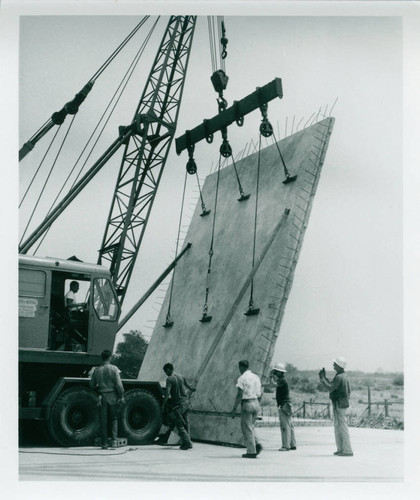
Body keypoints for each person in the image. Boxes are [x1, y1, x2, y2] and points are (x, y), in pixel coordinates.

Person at [89, 349, 125, 450]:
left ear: (102, 358)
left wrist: (99, 390)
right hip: (113, 396)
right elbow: (119, 385)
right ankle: (114, 441)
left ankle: (104, 443)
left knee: (103, 420)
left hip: (103, 396)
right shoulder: (114, 369)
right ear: (110, 357)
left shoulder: (97, 370)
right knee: (113, 419)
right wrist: (121, 396)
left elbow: (92, 385)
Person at [319, 356, 353, 457]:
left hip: (339, 404)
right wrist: (325, 379)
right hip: (343, 403)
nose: (333, 365)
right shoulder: (344, 376)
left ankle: (347, 450)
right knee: (339, 427)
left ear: (339, 366)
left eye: (335, 364)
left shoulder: (339, 377)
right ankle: (341, 449)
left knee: (341, 427)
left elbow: (330, 388)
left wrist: (322, 379)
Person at [231, 360, 263, 459]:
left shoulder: (242, 378)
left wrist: (234, 408)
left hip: (247, 403)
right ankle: (257, 444)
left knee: (246, 428)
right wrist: (257, 405)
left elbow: (239, 395)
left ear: (241, 367)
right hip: (256, 402)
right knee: (251, 426)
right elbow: (260, 393)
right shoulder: (256, 377)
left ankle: (251, 451)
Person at [162, 363, 196, 450]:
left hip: (179, 405)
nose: (165, 373)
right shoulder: (181, 376)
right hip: (186, 403)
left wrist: (163, 404)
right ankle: (186, 442)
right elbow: (189, 387)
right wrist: (193, 389)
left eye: (165, 371)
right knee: (186, 423)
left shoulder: (169, 379)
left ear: (169, 369)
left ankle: (188, 443)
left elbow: (167, 393)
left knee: (179, 424)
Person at [271, 362, 296, 451]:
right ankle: (292, 444)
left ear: (279, 372)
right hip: (286, 404)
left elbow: (273, 384)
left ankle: (286, 446)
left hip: (283, 405)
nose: (275, 372)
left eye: (276, 371)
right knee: (290, 425)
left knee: (285, 426)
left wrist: (271, 376)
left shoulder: (281, 380)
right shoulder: (282, 380)